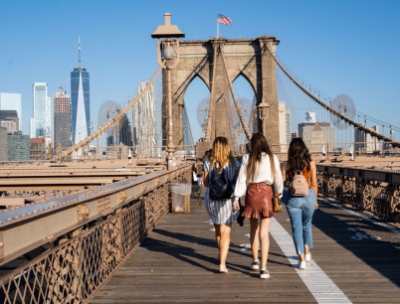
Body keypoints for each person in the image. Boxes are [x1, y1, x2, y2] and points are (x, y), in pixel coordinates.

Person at [233, 133, 283, 279]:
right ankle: (263, 268)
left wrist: (236, 197)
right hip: (267, 194)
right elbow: (278, 179)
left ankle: (255, 261)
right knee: (264, 232)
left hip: (251, 194)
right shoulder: (273, 158)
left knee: (253, 229)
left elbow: (242, 179)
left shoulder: (248, 158)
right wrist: (279, 195)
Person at [203, 137, 240, 273]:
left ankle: (221, 256)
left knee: (218, 229)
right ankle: (222, 263)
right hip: (226, 199)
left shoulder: (208, 163)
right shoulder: (233, 162)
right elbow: (236, 181)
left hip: (211, 199)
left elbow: (206, 183)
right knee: (226, 231)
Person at [281, 138, 318, 269]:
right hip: (309, 197)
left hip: (293, 198)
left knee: (297, 229)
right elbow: (314, 184)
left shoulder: (286, 164)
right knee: (307, 225)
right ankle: (307, 251)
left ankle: (301, 258)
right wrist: (316, 200)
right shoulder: (311, 163)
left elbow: (281, 183)